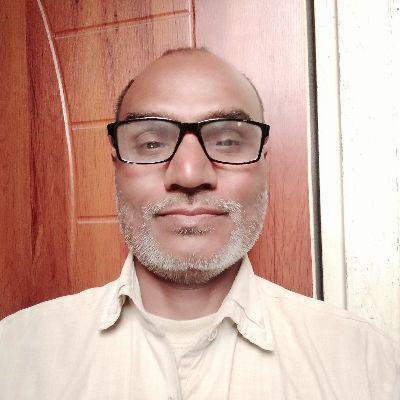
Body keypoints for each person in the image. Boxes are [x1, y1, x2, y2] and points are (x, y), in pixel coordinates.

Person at [0, 47, 398, 399]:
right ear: (117, 165)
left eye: (227, 141)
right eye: (152, 143)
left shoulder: (364, 362)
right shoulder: (14, 354)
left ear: (263, 162)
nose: (189, 174)